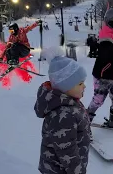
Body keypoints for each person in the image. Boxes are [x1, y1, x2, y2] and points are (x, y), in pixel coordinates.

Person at [34, 46, 90, 174]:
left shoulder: (68, 102)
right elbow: (67, 151)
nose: (84, 86)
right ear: (65, 86)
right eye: (80, 83)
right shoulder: (64, 114)